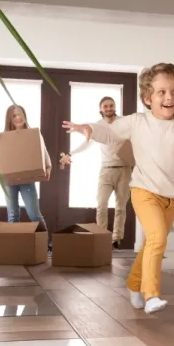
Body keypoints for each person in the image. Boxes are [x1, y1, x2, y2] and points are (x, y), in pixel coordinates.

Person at [63, 63, 174, 314]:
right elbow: (108, 132)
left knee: (153, 241)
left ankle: (134, 283)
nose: (169, 97)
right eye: (161, 92)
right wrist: (88, 129)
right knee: (158, 237)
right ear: (147, 98)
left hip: (171, 197)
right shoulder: (137, 122)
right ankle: (151, 295)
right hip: (144, 191)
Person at [59, 96, 131, 249]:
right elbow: (87, 143)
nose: (109, 108)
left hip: (124, 169)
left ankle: (116, 238)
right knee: (101, 204)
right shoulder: (98, 126)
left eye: (111, 105)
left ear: (115, 107)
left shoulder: (124, 123)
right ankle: (102, 237)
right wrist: (70, 154)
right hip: (106, 170)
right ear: (101, 109)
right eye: (106, 106)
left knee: (120, 207)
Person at [0, 105, 53, 252]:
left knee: (34, 214)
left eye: (20, 114)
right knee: (12, 215)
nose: (18, 118)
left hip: (27, 179)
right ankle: (15, 246)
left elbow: (43, 150)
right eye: (14, 116)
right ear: (10, 119)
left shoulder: (33, 134)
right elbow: (3, 156)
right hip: (9, 180)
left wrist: (48, 166)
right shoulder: (5, 136)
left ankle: (45, 244)